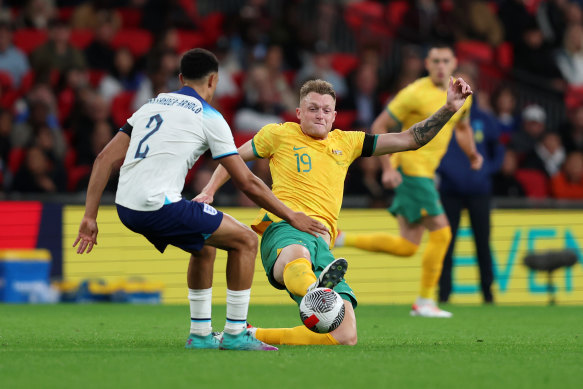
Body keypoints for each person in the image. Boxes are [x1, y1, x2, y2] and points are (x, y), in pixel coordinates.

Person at [72, 48, 328, 352]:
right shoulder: (210, 116)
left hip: (126, 206)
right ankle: (235, 334)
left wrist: (90, 216)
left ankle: (201, 334)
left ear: (180, 78)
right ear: (214, 80)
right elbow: (246, 181)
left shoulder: (149, 106)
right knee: (246, 240)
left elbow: (103, 158)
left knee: (205, 246)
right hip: (157, 205)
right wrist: (291, 216)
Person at [195, 76, 474, 345]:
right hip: (284, 227)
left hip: (323, 243)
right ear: (299, 112)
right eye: (313, 109)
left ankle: (250, 334)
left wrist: (449, 108)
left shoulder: (347, 142)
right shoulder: (278, 134)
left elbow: (410, 139)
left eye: (326, 110)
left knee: (345, 336)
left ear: (334, 115)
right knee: (298, 255)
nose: (320, 115)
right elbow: (230, 158)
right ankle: (314, 290)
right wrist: (209, 190)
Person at [337, 45, 483, 318]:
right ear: (427, 64)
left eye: (445, 61)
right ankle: (425, 301)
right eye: (435, 61)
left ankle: (341, 238)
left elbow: (461, 126)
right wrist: (387, 167)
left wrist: (473, 154)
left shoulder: (462, 93)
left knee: (408, 246)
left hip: (425, 174)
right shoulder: (414, 92)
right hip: (411, 170)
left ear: (454, 64)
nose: (440, 66)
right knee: (442, 233)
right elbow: (379, 126)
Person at [437, 68, 505, 305]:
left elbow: (498, 150)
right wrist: (442, 170)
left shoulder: (484, 119)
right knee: (446, 243)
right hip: (449, 191)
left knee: (482, 243)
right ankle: (443, 294)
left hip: (479, 191)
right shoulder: (444, 116)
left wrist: (487, 170)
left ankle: (488, 293)